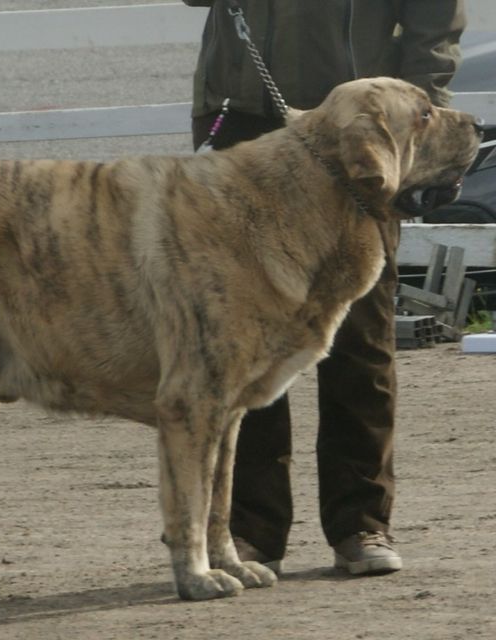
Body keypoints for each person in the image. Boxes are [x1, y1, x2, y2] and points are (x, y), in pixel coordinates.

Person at [183, 0, 466, 575]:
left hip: (361, 126)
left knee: (359, 338)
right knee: (241, 344)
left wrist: (416, 123)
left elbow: (435, 22)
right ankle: (248, 531)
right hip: (244, 115)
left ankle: (361, 523)